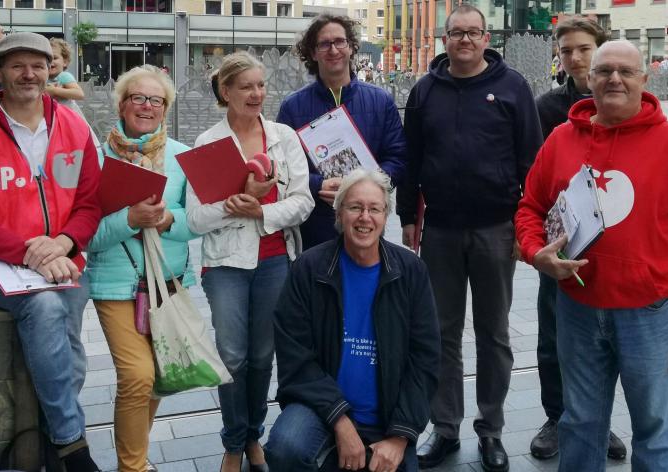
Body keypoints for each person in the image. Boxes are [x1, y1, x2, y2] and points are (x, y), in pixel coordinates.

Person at [516, 40, 668, 472]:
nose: (614, 79)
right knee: (579, 424)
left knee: (657, 432)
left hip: (651, 312)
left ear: (644, 80)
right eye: (605, 71)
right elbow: (531, 208)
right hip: (577, 308)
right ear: (588, 79)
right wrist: (536, 254)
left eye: (626, 72)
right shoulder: (561, 139)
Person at [396, 5, 543, 471]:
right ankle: (444, 427)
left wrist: (526, 227)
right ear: (445, 39)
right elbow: (411, 159)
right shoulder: (424, 91)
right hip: (440, 229)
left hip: (496, 228)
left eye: (473, 32)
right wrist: (407, 216)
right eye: (456, 32)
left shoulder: (512, 87)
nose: (464, 39)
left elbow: (532, 163)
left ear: (485, 38)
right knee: (440, 333)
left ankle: (491, 429)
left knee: (493, 333)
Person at [0, 32, 101, 471]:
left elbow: (89, 204)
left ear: (50, 70)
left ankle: (48, 444)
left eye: (38, 65)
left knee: (70, 354)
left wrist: (62, 244)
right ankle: (71, 445)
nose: (29, 74)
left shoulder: (75, 127)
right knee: (44, 308)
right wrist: (33, 254)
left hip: (64, 258)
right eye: (17, 66)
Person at [186, 51, 314, 472]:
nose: (257, 94)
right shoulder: (208, 143)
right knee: (232, 356)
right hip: (225, 264)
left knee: (261, 356)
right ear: (226, 92)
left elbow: (303, 202)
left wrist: (260, 210)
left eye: (261, 85)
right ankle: (233, 440)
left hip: (276, 260)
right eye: (246, 87)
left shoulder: (283, 137)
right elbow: (195, 219)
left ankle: (253, 435)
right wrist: (234, 202)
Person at [264, 169, 440, 472]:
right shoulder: (308, 269)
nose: (364, 218)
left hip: (388, 416)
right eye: (355, 207)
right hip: (322, 410)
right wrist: (341, 421)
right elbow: (295, 357)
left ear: (385, 216)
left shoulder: (411, 271)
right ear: (339, 213)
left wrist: (400, 437)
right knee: (286, 446)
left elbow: (425, 359)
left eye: (374, 209)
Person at [86, 65, 196, 472]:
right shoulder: (97, 158)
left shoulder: (182, 156)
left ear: (165, 108)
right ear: (122, 105)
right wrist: (130, 219)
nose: (146, 106)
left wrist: (166, 220)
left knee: (157, 377)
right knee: (137, 375)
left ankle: (133, 459)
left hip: (167, 283)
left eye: (156, 100)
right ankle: (133, 467)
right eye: (137, 98)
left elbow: (196, 222)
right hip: (116, 283)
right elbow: (86, 235)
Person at [529, 17, 627, 462]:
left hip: (615, 243)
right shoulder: (547, 108)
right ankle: (557, 416)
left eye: (583, 48)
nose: (574, 58)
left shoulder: (623, 100)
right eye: (566, 50)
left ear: (600, 48)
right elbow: (533, 176)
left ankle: (596, 421)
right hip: (563, 242)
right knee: (553, 335)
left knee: (610, 340)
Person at [277, 14, 406, 250]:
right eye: (324, 44)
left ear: (351, 47)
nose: (333, 50)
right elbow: (281, 167)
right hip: (314, 225)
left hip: (366, 223)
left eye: (339, 41)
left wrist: (364, 187)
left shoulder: (381, 101)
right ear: (313, 53)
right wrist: (318, 185)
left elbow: (398, 159)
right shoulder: (292, 107)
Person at [46, 38, 85, 108]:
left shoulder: (63, 76)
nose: (50, 62)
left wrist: (54, 90)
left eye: (55, 58)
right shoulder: (44, 78)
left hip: (68, 113)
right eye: (47, 59)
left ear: (65, 62)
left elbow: (79, 94)